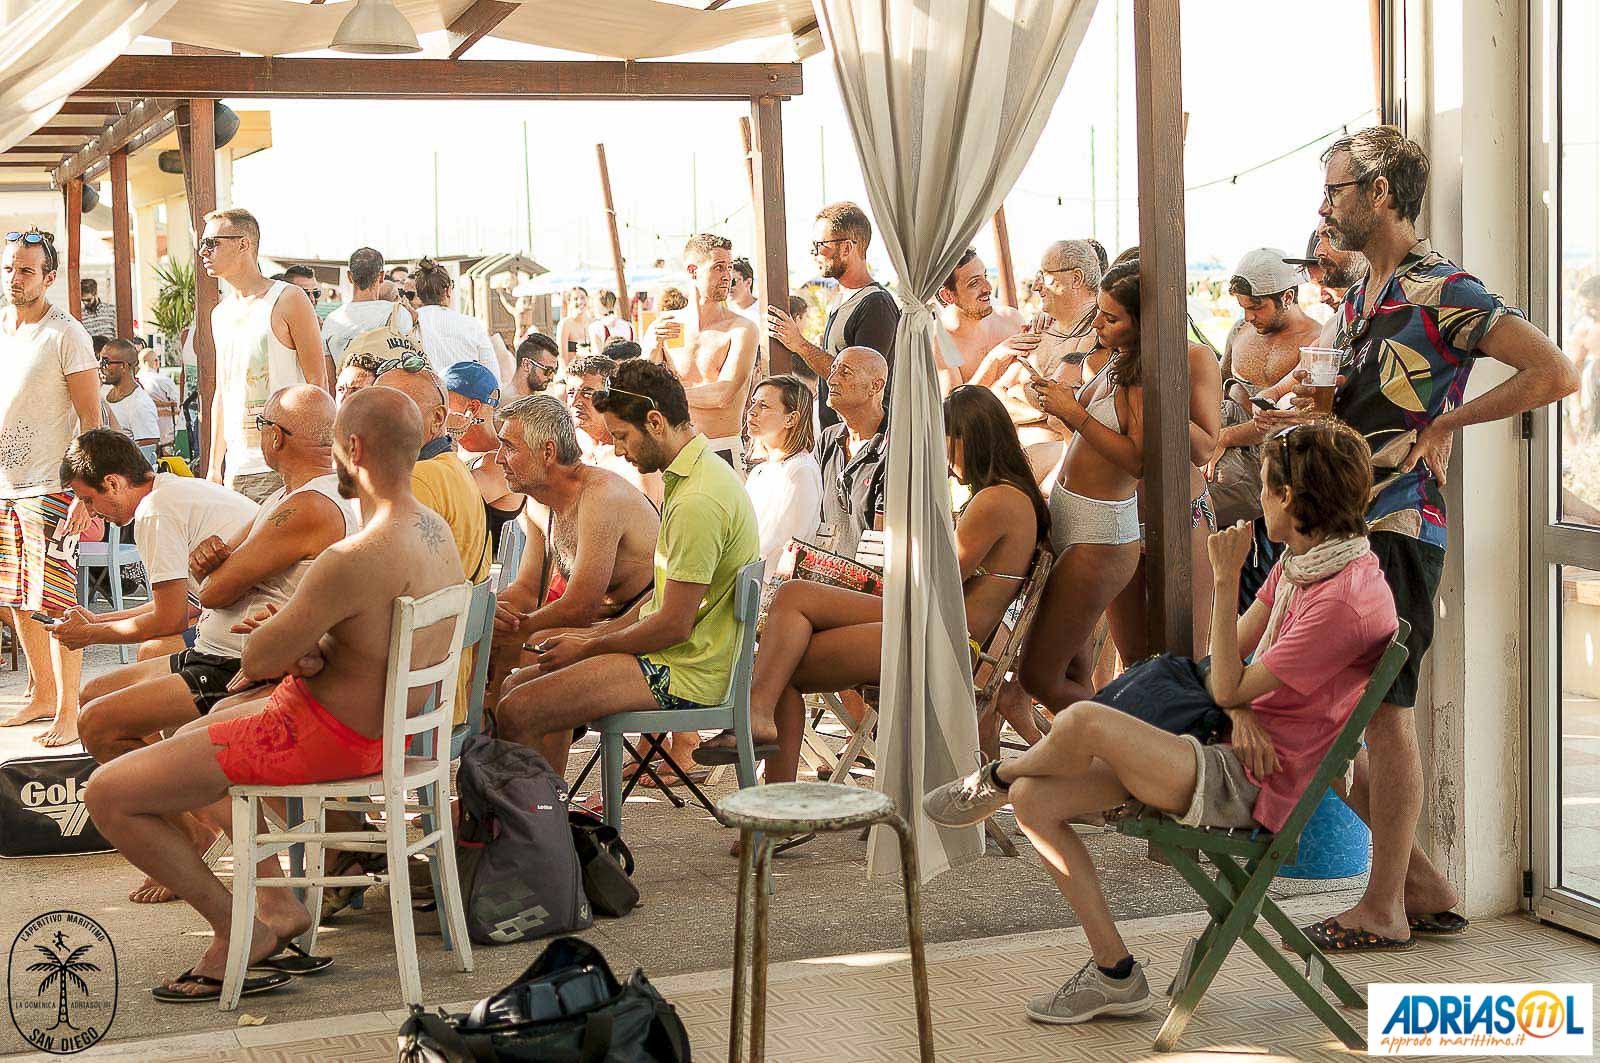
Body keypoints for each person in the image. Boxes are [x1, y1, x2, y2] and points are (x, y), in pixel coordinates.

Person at [923, 420, 1397, 1025]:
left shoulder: (1342, 599)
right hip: (1223, 741)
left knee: (1086, 721)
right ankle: (1114, 973)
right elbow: (1222, 670)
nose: (1258, 497)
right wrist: (1238, 705)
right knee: (1036, 801)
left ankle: (993, 777)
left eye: (1266, 487)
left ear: (1292, 499)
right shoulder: (1307, 564)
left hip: (1255, 781)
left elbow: (1226, 677)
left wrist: (1224, 582)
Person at [1251, 125, 1578, 950]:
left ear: (1380, 193)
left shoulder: (1445, 289)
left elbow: (1555, 371)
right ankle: (1422, 885)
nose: (1324, 208)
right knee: (1336, 719)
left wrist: (1448, 424)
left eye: (1335, 191)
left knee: (1383, 715)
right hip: (1350, 526)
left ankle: (1385, 904)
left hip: (1399, 525)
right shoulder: (1362, 293)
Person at [84, 386, 466, 1003]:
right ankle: (274, 905)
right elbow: (369, 642)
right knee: (199, 728)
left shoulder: (354, 555)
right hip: (389, 732)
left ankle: (239, 929)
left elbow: (257, 661)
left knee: (108, 793)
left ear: (353, 448)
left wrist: (277, 632)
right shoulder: (434, 530)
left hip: (326, 737)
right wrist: (311, 644)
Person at [75, 387, 355, 903]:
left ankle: (197, 844)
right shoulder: (288, 496)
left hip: (243, 665)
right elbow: (216, 571)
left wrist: (94, 630)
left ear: (275, 437)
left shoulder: (307, 504)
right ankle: (206, 840)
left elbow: (210, 591)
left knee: (100, 724)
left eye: (89, 500)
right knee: (96, 697)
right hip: (230, 653)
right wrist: (218, 566)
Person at [715, 385, 1045, 780]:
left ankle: (764, 758)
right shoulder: (1007, 496)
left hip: (940, 636)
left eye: (939, 440)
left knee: (784, 649)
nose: (936, 451)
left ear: (965, 439)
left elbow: (936, 581)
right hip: (936, 623)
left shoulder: (995, 501)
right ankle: (760, 722)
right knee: (790, 612)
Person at [495, 360, 759, 775]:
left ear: (654, 422)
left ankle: (535, 811)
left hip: (685, 670)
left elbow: (673, 626)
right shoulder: (693, 477)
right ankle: (537, 808)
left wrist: (588, 645)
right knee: (516, 687)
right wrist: (592, 636)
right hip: (677, 656)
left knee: (519, 707)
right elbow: (658, 604)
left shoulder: (698, 498)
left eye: (621, 436)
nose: (618, 450)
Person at [1018, 259, 1149, 710]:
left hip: (1100, 535)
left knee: (1037, 674)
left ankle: (1115, 743)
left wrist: (1073, 412)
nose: (1097, 325)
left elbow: (1138, 459)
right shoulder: (1117, 362)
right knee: (1073, 672)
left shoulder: (1142, 378)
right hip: (1077, 522)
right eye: (1098, 313)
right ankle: (1087, 747)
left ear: (1142, 323)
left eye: (1111, 318)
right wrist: (1059, 401)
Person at [0, 228, 103, 746]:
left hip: (52, 486)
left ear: (49, 277)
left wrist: (84, 493)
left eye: (26, 270)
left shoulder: (67, 333)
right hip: (7, 487)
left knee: (56, 602)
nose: (15, 278)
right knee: (18, 597)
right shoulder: (4, 328)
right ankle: (42, 694)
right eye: (9, 268)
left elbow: (91, 417)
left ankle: (69, 710)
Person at [491, 394, 659, 671]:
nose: (498, 459)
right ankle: (490, 700)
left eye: (509, 447)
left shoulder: (601, 495)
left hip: (639, 626)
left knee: (536, 644)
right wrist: (494, 614)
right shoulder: (537, 501)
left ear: (548, 452)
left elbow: (580, 608)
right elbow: (529, 589)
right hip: (604, 622)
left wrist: (515, 629)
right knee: (491, 637)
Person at [375, 362, 491, 726]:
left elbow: (383, 599)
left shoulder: (420, 480)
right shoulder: (451, 467)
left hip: (417, 701)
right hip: (443, 690)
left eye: (397, 408)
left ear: (438, 418)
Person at [200, 208, 327, 503]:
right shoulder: (220, 313)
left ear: (243, 244)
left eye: (212, 243)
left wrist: (313, 462)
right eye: (203, 244)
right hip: (237, 468)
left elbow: (317, 382)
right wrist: (214, 468)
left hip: (283, 465)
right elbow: (223, 391)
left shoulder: (288, 299)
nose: (204, 252)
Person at [970, 239, 1105, 482]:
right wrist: (1033, 403)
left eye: (1045, 275)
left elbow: (1065, 411)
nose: (1036, 286)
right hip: (1017, 453)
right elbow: (998, 393)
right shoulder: (1041, 330)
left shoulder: (1097, 335)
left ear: (1076, 279)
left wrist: (1022, 399)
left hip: (1057, 465)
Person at [765, 202, 901, 430]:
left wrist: (799, 344)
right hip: (839, 436)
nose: (814, 253)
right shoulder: (843, 300)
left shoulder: (876, 304)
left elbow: (858, 380)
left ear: (846, 248)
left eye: (820, 245)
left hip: (866, 440)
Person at [644, 234, 760, 472]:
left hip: (721, 449)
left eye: (729, 267)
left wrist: (667, 396)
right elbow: (643, 389)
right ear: (693, 271)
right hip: (675, 452)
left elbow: (723, 394)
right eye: (718, 267)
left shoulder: (741, 329)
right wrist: (652, 349)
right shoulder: (665, 326)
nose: (727, 275)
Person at [742, 374, 821, 579]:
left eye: (764, 406)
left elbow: (786, 545)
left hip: (771, 584)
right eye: (753, 403)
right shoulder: (761, 471)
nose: (751, 412)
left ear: (791, 419)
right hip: (748, 575)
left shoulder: (801, 471)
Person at [815, 346, 890, 560]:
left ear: (875, 386)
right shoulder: (828, 439)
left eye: (845, 373)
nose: (831, 380)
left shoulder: (893, 449)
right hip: (827, 570)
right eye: (833, 370)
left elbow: (880, 551)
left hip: (872, 576)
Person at [446, 361, 525, 557]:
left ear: (472, 408)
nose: (437, 408)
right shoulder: (462, 453)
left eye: (444, 401)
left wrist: (447, 438)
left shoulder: (500, 462)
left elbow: (446, 501)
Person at [1220, 248, 1325, 393]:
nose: (1248, 317)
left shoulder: (1317, 341)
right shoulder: (1240, 329)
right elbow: (1219, 381)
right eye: (1243, 308)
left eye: (1256, 308)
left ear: (1287, 298)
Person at [564, 353, 663, 505]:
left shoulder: (635, 452)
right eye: (571, 393)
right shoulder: (566, 446)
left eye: (587, 393)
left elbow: (648, 514)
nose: (575, 401)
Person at [936, 247, 1025, 392]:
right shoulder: (939, 339)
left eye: (985, 276)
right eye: (974, 283)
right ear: (947, 295)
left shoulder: (1012, 319)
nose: (988, 288)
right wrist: (993, 360)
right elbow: (953, 403)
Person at [322, 247, 415, 369]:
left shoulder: (332, 321)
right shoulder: (398, 313)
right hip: (389, 381)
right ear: (381, 276)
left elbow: (328, 374)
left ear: (349, 276)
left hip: (346, 381)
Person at [411, 258, 498, 381]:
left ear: (418, 294)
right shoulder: (472, 325)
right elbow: (493, 376)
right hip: (467, 391)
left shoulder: (410, 324)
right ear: (448, 290)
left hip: (423, 391)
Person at [97, 337, 160, 448]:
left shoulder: (140, 405)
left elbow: (147, 452)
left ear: (124, 366)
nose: (100, 366)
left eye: (105, 362)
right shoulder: (103, 392)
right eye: (99, 360)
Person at [138, 345, 182, 453]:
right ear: (156, 362)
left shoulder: (135, 381)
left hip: (141, 435)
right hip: (165, 434)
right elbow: (178, 405)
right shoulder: (164, 381)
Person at [512, 331, 561, 398]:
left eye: (554, 370)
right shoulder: (508, 402)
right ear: (526, 365)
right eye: (548, 370)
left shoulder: (532, 399)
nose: (551, 378)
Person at [556, 287, 593, 366]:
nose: (580, 301)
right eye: (575, 299)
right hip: (572, 370)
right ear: (569, 302)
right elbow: (562, 357)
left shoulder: (593, 323)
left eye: (582, 298)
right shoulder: (565, 324)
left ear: (588, 299)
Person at [730, 258, 760, 323]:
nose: (728, 286)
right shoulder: (726, 313)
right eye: (726, 281)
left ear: (748, 282)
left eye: (733, 281)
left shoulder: (762, 311)